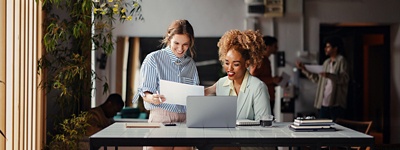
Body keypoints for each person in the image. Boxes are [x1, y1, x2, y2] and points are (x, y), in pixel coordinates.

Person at [133, 19, 199, 150]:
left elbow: (194, 94)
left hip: (185, 120)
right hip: (161, 118)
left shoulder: (190, 64)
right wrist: (152, 98)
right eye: (176, 43)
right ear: (169, 38)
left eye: (185, 44)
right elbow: (145, 92)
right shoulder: (153, 59)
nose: (181, 49)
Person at [205, 29, 272, 121]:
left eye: (236, 64)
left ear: (247, 63)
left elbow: (264, 125)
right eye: (227, 63)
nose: (229, 68)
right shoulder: (221, 83)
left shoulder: (258, 87)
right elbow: (205, 92)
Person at [296, 36, 349, 121]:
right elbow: (318, 79)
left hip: (336, 103)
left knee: (336, 128)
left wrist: (329, 75)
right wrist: (304, 69)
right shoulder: (326, 62)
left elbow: (344, 79)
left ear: (335, 48)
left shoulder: (341, 60)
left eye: (328, 47)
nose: (326, 49)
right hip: (323, 102)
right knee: (322, 127)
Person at [249, 36, 282, 115]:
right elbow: (253, 78)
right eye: (275, 46)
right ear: (268, 47)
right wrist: (272, 80)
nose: (277, 48)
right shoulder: (260, 60)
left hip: (268, 96)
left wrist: (275, 81)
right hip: (263, 98)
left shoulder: (266, 60)